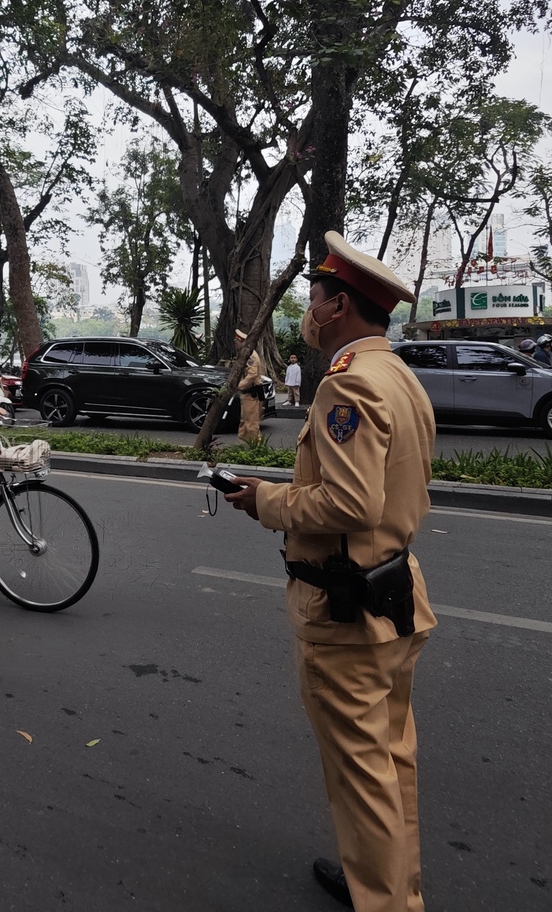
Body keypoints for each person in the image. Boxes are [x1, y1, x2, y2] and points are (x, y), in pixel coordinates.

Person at [221, 231, 437, 912]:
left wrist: (263, 500)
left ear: (339, 303)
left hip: (346, 612)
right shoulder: (399, 376)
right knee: (391, 760)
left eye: (313, 299)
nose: (307, 313)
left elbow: (347, 502)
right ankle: (388, 880)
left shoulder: (348, 387)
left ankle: (383, 898)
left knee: (362, 772)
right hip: (394, 595)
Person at [235, 329, 267, 443]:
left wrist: (239, 385)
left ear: (242, 341)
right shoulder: (245, 354)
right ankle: (243, 445)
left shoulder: (251, 356)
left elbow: (252, 375)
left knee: (251, 423)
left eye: (237, 341)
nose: (236, 344)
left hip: (251, 394)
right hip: (246, 394)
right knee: (244, 422)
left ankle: (255, 449)